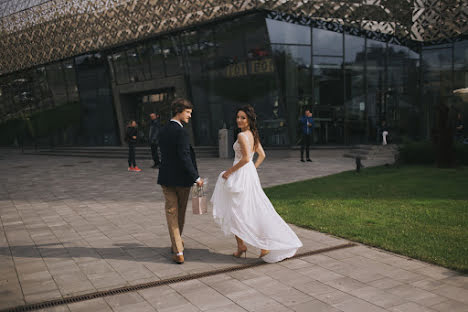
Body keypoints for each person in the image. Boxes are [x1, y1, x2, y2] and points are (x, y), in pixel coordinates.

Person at [211, 105, 302, 263]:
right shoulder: (253, 134)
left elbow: (246, 158)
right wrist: (252, 169)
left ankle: (258, 245)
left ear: (249, 120)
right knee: (244, 210)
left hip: (240, 175)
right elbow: (262, 155)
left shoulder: (241, 136)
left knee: (239, 211)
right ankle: (245, 246)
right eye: (238, 117)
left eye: (243, 118)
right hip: (248, 175)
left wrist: (229, 172)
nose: (239, 120)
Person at [157, 98, 204, 264]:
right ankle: (178, 251)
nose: (190, 116)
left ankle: (177, 247)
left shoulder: (162, 130)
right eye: (188, 112)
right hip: (182, 180)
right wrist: (196, 177)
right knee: (179, 214)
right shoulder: (182, 132)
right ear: (179, 111)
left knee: (171, 213)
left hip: (166, 179)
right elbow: (185, 157)